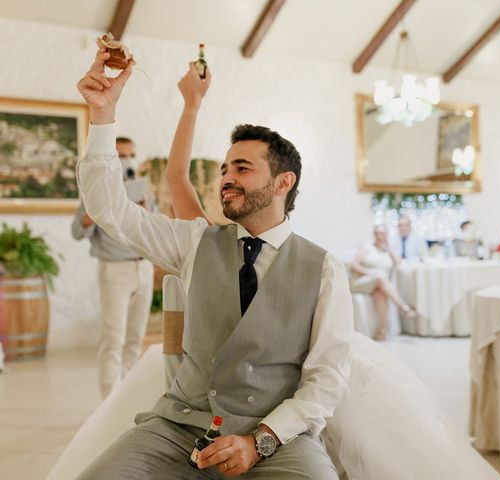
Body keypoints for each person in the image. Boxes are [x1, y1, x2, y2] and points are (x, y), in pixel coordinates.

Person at [75, 48, 351, 479]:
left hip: (275, 436)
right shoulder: (193, 240)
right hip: (178, 426)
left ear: (284, 182)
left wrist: (261, 440)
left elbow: (328, 378)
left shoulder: (324, 269)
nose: (226, 178)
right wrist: (104, 114)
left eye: (241, 168)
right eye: (224, 169)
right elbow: (111, 209)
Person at [71, 136, 154, 398]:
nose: (127, 159)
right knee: (112, 340)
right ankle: (107, 404)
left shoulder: (143, 190)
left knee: (135, 338)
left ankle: (125, 401)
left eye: (131, 154)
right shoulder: (96, 189)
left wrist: (144, 211)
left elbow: (154, 229)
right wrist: (93, 211)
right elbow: (77, 232)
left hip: (143, 268)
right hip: (114, 270)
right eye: (120, 154)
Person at [350, 224, 416, 341]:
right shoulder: (366, 247)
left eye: (383, 234)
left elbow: (398, 263)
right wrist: (370, 272)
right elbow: (355, 265)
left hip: (379, 284)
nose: (380, 236)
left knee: (380, 294)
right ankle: (402, 307)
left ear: (387, 235)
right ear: (374, 235)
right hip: (361, 282)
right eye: (378, 233)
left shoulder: (388, 250)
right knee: (380, 277)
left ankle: (382, 331)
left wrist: (389, 248)